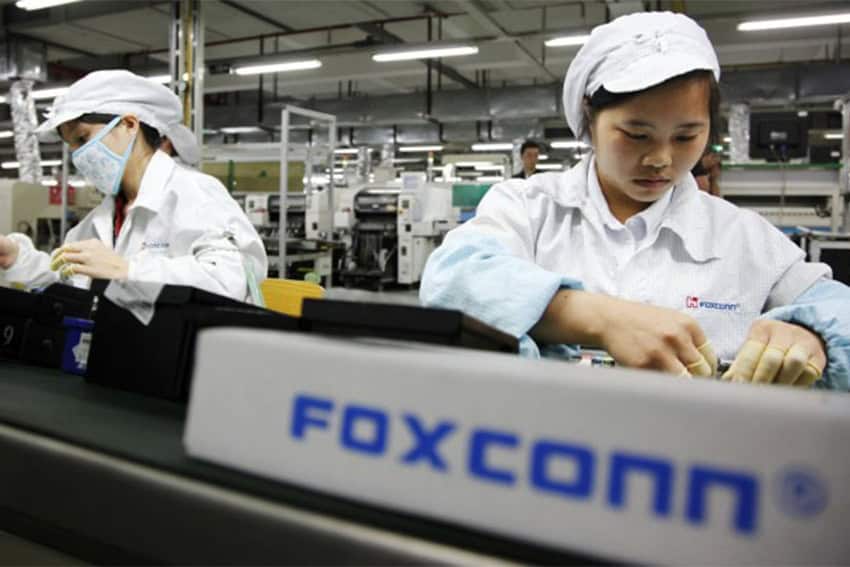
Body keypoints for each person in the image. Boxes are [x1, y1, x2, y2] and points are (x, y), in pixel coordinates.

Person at [420, 12, 850, 390]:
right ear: (590, 116)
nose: (661, 159)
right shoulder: (530, 208)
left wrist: (810, 335)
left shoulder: (744, 237)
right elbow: (452, 282)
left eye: (686, 136)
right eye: (637, 135)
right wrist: (600, 318)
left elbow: (839, 310)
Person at [0, 69, 266, 302]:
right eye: (70, 146)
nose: (78, 156)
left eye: (82, 139)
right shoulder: (99, 220)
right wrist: (17, 259)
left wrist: (128, 271)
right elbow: (72, 280)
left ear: (129, 124)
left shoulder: (195, 192)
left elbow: (233, 278)